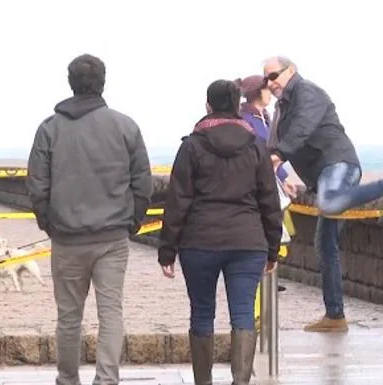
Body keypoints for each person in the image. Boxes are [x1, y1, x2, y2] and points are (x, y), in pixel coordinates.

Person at [26, 54, 153, 385]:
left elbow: (37, 185)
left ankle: (67, 379)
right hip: (112, 238)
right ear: (102, 83)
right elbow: (143, 183)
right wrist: (133, 221)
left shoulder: (49, 128)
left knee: (68, 316)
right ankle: (107, 379)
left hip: (66, 237)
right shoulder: (125, 126)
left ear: (70, 83)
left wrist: (48, 223)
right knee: (111, 312)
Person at [263, 56, 383, 333]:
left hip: (339, 164)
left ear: (291, 70)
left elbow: (303, 129)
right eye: (266, 79)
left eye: (274, 76)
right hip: (322, 176)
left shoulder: (308, 92)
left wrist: (278, 155)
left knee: (330, 204)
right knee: (324, 245)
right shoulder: (282, 107)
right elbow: (289, 144)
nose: (270, 83)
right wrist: (293, 181)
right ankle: (335, 316)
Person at [157, 79, 283, 385]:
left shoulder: (192, 145)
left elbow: (178, 200)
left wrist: (167, 249)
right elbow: (269, 199)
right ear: (237, 106)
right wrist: (272, 247)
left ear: (208, 105)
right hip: (247, 240)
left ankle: (204, 382)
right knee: (242, 313)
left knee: (202, 313)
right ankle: (241, 381)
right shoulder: (255, 145)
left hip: (199, 242)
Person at [237, 74, 294, 293]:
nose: (270, 92)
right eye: (266, 89)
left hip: (271, 182)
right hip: (256, 186)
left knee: (277, 230)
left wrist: (284, 178)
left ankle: (269, 273)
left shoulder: (266, 116)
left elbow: (272, 154)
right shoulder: (246, 119)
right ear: (257, 92)